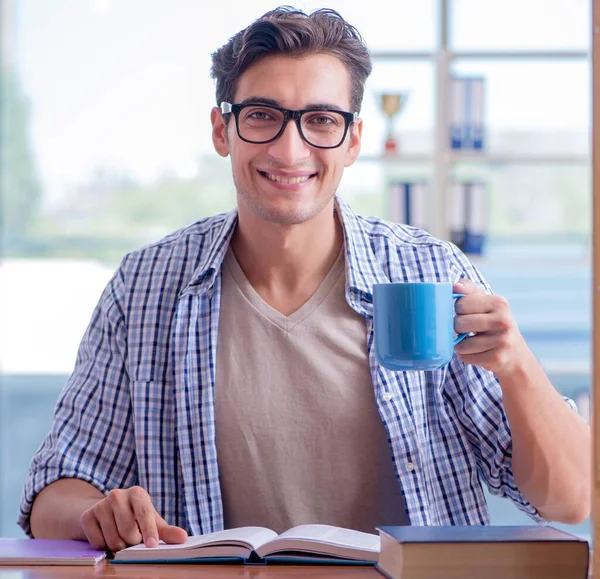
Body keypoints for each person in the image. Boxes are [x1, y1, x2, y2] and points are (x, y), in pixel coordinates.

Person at [20, 6, 590, 553]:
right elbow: (54, 491)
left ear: (354, 140)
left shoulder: (430, 273)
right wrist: (99, 514)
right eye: (263, 116)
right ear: (223, 131)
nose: (290, 150)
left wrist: (516, 366)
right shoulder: (146, 287)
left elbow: (569, 500)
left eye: (320, 120)